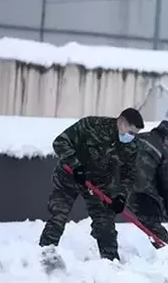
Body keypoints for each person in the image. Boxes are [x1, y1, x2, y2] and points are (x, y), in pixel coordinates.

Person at [39, 108, 144, 262]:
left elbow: (128, 174)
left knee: (105, 225)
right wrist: (76, 167)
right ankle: (43, 258)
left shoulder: (132, 145)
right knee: (58, 218)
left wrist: (121, 196)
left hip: (98, 185)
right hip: (69, 178)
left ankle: (111, 265)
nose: (133, 137)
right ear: (121, 123)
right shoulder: (91, 125)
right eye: (131, 132)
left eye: (136, 134)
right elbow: (60, 142)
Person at [126, 120, 168, 258]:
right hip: (141, 191)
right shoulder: (164, 152)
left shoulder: (138, 137)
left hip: (118, 184)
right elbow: (167, 187)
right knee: (152, 222)